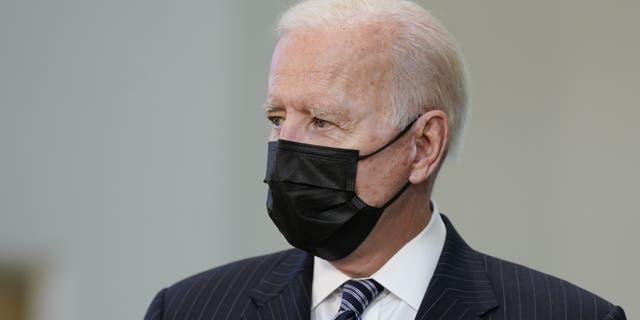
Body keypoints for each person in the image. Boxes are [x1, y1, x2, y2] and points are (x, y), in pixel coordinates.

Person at [144, 0, 626, 319]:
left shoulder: (568, 314)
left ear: (422, 146)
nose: (285, 147)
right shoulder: (189, 308)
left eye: (322, 121)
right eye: (276, 117)